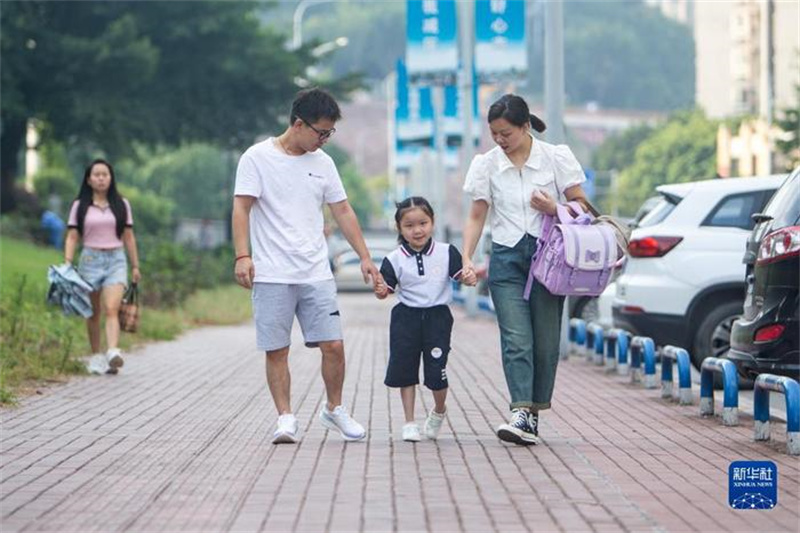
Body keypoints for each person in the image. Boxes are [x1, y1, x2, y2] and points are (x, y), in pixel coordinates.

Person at [232, 87, 380, 444]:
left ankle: (334, 409)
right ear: (299, 124)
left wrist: (365, 256)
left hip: (315, 271)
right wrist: (242, 255)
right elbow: (242, 208)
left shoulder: (323, 163)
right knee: (277, 348)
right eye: (321, 132)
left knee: (334, 346)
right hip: (272, 273)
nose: (325, 140)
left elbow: (342, 210)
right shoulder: (256, 158)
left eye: (330, 133)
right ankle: (285, 417)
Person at [460, 94, 592, 445]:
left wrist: (553, 207)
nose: (501, 141)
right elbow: (476, 214)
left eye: (506, 133)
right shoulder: (486, 164)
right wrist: (467, 258)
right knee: (516, 338)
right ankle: (519, 411)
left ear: (525, 126)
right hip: (505, 259)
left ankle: (532, 413)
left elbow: (583, 206)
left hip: (549, 258)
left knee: (545, 343)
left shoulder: (555, 157)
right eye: (495, 134)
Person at [374, 197, 475, 442]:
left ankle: (439, 410)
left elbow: (460, 274)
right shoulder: (394, 258)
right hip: (405, 318)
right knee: (405, 369)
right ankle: (409, 422)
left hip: (437, 318)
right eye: (409, 225)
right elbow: (385, 289)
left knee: (436, 372)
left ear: (432, 222)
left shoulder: (446, 251)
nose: (417, 230)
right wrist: (380, 290)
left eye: (423, 223)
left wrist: (468, 278)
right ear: (399, 228)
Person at [64, 159, 141, 375]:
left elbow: (129, 237)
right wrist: (68, 263)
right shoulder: (79, 206)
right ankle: (96, 355)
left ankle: (113, 351)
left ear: (111, 178)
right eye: (96, 175)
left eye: (105, 174)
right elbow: (72, 236)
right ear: (89, 179)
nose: (101, 178)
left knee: (111, 308)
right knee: (93, 312)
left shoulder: (121, 205)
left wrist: (135, 265)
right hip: (89, 260)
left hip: (116, 259)